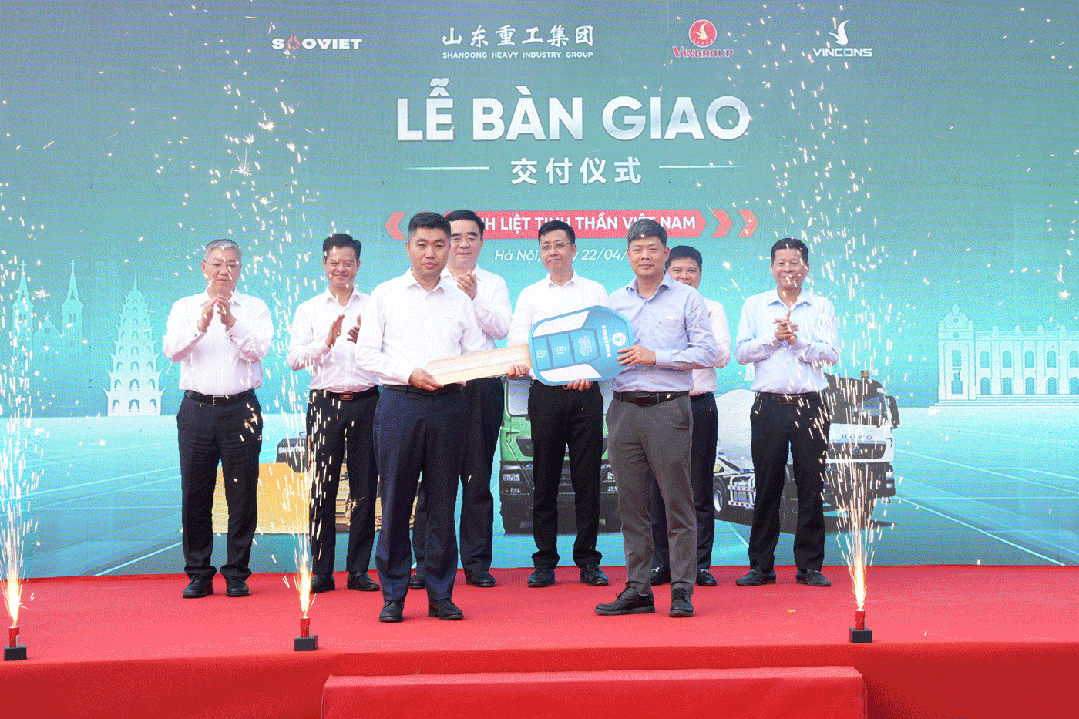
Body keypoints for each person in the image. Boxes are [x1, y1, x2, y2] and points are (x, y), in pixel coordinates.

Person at [355, 212, 486, 623]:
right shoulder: (385, 295)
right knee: (395, 500)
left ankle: (440, 593)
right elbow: (366, 354)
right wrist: (408, 372)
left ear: (449, 249)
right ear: (408, 246)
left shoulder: (460, 299)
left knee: (443, 501)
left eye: (439, 245)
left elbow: (476, 354)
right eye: (422, 244)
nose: (431, 253)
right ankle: (393, 594)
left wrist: (503, 364)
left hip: (450, 406)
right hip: (400, 403)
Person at [595, 219, 717, 618]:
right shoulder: (614, 301)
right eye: (637, 249)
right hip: (624, 409)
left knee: (677, 502)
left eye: (652, 248)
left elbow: (706, 353)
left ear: (666, 253)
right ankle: (638, 588)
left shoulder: (687, 298)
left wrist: (655, 357)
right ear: (628, 255)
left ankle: (682, 588)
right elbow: (602, 354)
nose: (644, 256)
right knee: (631, 505)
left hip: (668, 408)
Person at [163, 239, 273, 599]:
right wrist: (201, 324)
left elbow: (258, 350)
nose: (224, 270)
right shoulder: (184, 307)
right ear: (203, 267)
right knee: (195, 492)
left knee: (242, 494)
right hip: (196, 410)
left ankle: (237, 573)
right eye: (217, 263)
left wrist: (230, 323)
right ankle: (198, 572)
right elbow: (172, 351)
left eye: (232, 264)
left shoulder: (254, 308)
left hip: (241, 410)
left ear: (240, 269)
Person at [507, 220, 610, 589]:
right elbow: (519, 341)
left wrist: (589, 372)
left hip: (585, 393)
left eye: (560, 245)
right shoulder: (531, 295)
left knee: (587, 480)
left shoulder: (595, 290)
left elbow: (604, 340)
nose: (553, 252)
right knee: (545, 479)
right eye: (546, 246)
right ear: (540, 253)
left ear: (574, 249)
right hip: (546, 393)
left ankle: (588, 561)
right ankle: (544, 562)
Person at [411, 210, 510, 590]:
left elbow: (501, 328)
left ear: (482, 241)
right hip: (438, 387)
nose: (463, 244)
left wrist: (475, 297)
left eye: (472, 236)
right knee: (433, 479)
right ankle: (426, 562)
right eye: (456, 237)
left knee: (477, 476)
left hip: (481, 386)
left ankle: (477, 563)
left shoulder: (494, 283)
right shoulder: (429, 283)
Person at [733, 237, 839, 588]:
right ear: (772, 267)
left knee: (811, 485)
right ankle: (761, 566)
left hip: (811, 406)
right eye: (781, 263)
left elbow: (831, 355)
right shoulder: (755, 305)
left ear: (806, 268)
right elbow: (742, 353)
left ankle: (809, 566)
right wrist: (773, 338)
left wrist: (797, 343)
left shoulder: (822, 306)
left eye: (795, 262)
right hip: (769, 405)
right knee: (767, 485)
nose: (788, 268)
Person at [287, 234, 380, 594]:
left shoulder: (374, 305)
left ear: (359, 265)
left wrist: (364, 343)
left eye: (348, 262)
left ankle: (358, 570)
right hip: (325, 404)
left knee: (364, 488)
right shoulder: (309, 309)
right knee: (322, 489)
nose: (341, 268)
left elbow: (390, 354)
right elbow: (294, 359)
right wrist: (326, 342)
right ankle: (322, 572)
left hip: (367, 402)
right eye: (334, 262)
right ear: (324, 264)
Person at [648, 246, 731, 588]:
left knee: (699, 487)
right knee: (658, 488)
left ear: (700, 274)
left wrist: (670, 354)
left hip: (699, 405)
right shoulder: (653, 307)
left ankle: (699, 564)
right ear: (667, 272)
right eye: (678, 270)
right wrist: (692, 351)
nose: (684, 277)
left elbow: (720, 355)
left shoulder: (712, 308)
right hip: (661, 405)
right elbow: (648, 357)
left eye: (691, 271)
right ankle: (661, 563)